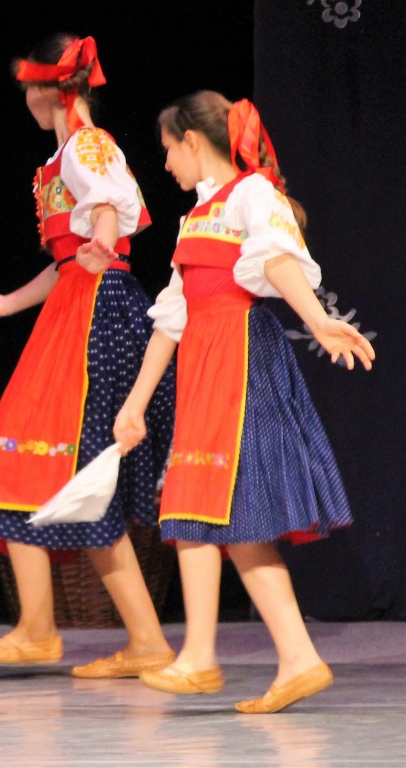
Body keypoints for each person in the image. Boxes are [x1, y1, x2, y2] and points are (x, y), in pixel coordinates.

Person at [112, 90, 375, 713]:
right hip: (204, 359)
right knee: (218, 516)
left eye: (168, 149)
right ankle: (291, 659)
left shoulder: (250, 193)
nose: (166, 163)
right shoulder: (195, 217)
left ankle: (202, 659)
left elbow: (277, 261)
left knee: (213, 507)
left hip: (240, 356)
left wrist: (317, 319)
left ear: (192, 141)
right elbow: (172, 318)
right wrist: (136, 404)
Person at [0, 33, 177, 677]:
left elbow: (106, 214)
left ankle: (41, 628)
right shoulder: (60, 159)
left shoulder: (86, 145)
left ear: (48, 89)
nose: (27, 99)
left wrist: (102, 244)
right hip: (74, 306)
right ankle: (125, 639)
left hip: (96, 314)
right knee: (62, 474)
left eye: (29, 87)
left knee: (51, 467)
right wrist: (4, 303)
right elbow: (66, 262)